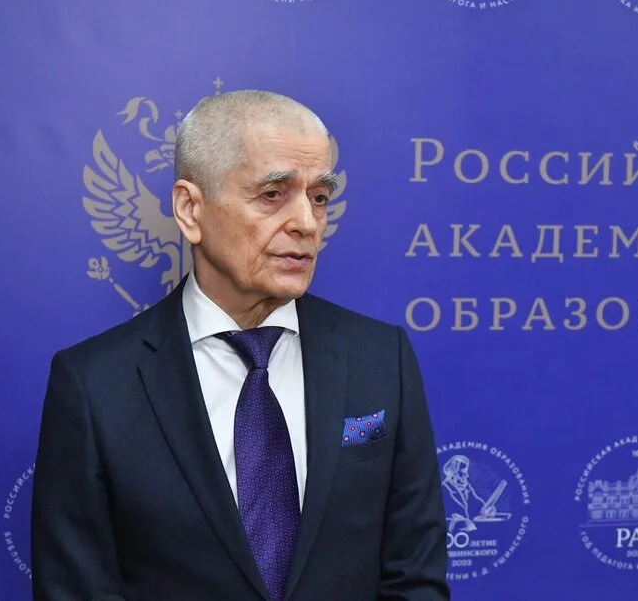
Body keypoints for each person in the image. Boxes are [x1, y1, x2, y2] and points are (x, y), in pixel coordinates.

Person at [31, 90, 450, 601]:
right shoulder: (94, 384)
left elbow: (414, 577)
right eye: (273, 194)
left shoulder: (382, 358)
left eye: (319, 197)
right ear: (190, 209)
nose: (307, 223)